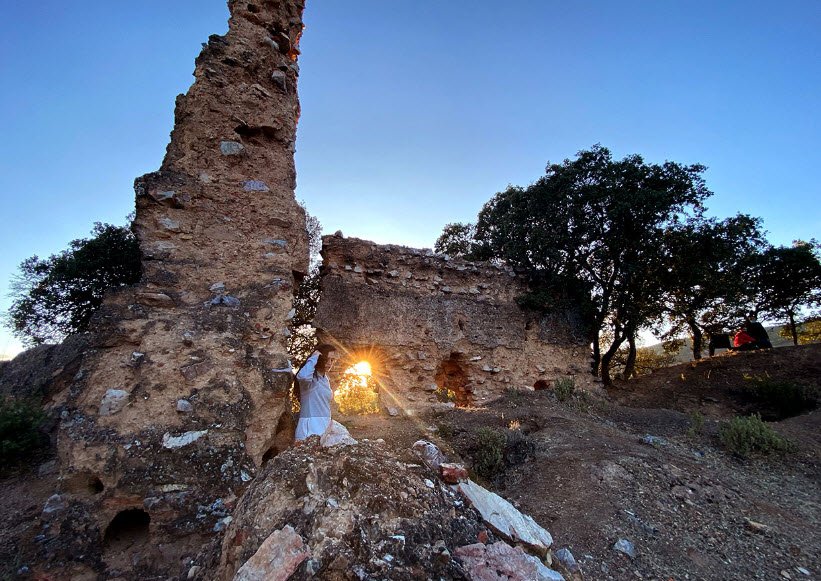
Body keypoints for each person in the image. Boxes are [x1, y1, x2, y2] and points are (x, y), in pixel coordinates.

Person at [294, 344, 338, 441]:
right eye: (326, 359)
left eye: (332, 360)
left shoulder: (325, 379)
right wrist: (314, 357)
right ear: (320, 359)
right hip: (308, 431)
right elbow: (303, 376)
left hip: (324, 428)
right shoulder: (310, 379)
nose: (329, 363)